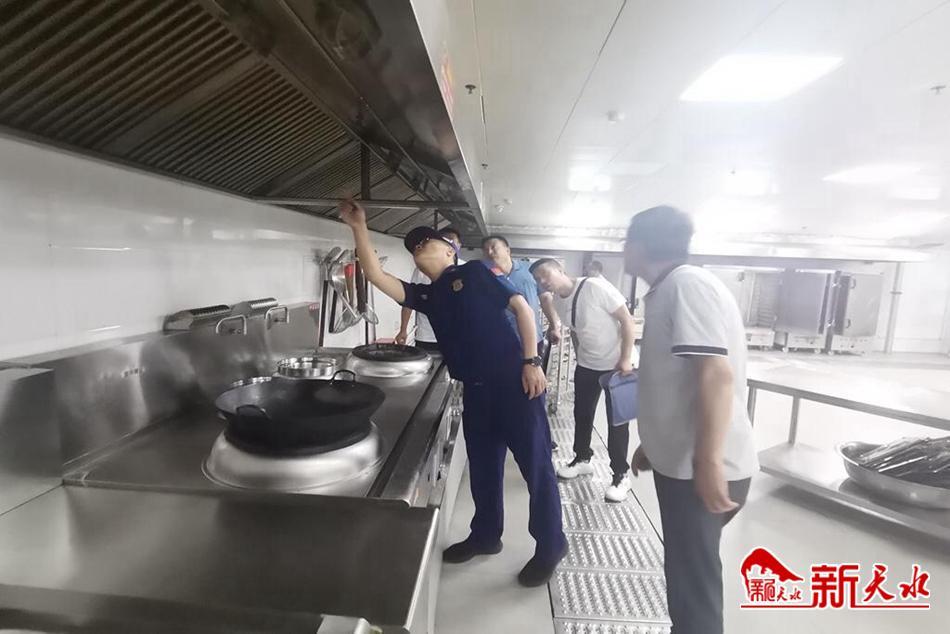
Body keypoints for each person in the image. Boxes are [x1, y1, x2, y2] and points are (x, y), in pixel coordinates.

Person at [339, 201, 567, 587]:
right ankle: (486, 535)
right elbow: (375, 274)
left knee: (536, 467)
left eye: (426, 241)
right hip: (476, 391)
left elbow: (523, 310)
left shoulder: (474, 272)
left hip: (514, 384)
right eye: (413, 247)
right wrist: (359, 226)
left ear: (450, 251)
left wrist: (532, 362)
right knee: (484, 468)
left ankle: (551, 545)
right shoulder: (428, 296)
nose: (418, 248)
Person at [623, 205, 756, 634]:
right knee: (685, 574)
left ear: (640, 246)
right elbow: (678, 379)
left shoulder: (686, 285)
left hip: (699, 467)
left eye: (626, 241)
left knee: (693, 585)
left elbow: (715, 375)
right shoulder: (673, 287)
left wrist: (708, 461)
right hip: (684, 460)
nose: (623, 250)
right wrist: (654, 444)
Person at [530, 258, 638, 502]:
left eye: (545, 274)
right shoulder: (558, 301)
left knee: (617, 422)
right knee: (582, 414)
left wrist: (625, 358)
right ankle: (582, 459)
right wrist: (581, 357)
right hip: (588, 364)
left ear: (560, 269)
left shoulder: (594, 287)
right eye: (537, 279)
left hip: (617, 365)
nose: (543, 281)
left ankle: (621, 475)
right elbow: (576, 331)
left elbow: (627, 320)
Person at [481, 235, 559, 365]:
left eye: (493, 248)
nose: (489, 252)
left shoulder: (530, 270)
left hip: (533, 340)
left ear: (507, 250)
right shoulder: (483, 276)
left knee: (533, 376)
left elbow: (545, 298)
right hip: (498, 342)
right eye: (485, 249)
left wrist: (555, 326)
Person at [396, 226, 465, 351]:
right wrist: (403, 329)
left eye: (452, 242)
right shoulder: (420, 271)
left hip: (457, 336)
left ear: (456, 247)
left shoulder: (468, 269)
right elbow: (409, 300)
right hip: (426, 336)